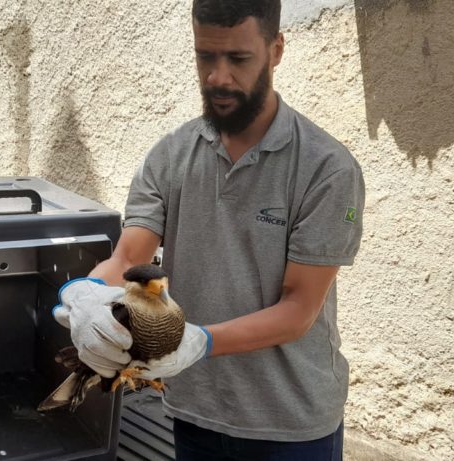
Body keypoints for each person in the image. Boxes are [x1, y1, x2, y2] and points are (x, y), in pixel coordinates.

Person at [53, 1, 364, 459]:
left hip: (289, 422)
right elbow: (129, 259)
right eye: (205, 56)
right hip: (194, 410)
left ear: (276, 50)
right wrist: (86, 295)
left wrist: (201, 341)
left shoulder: (326, 168)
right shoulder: (170, 155)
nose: (218, 77)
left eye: (238, 58)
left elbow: (299, 308)